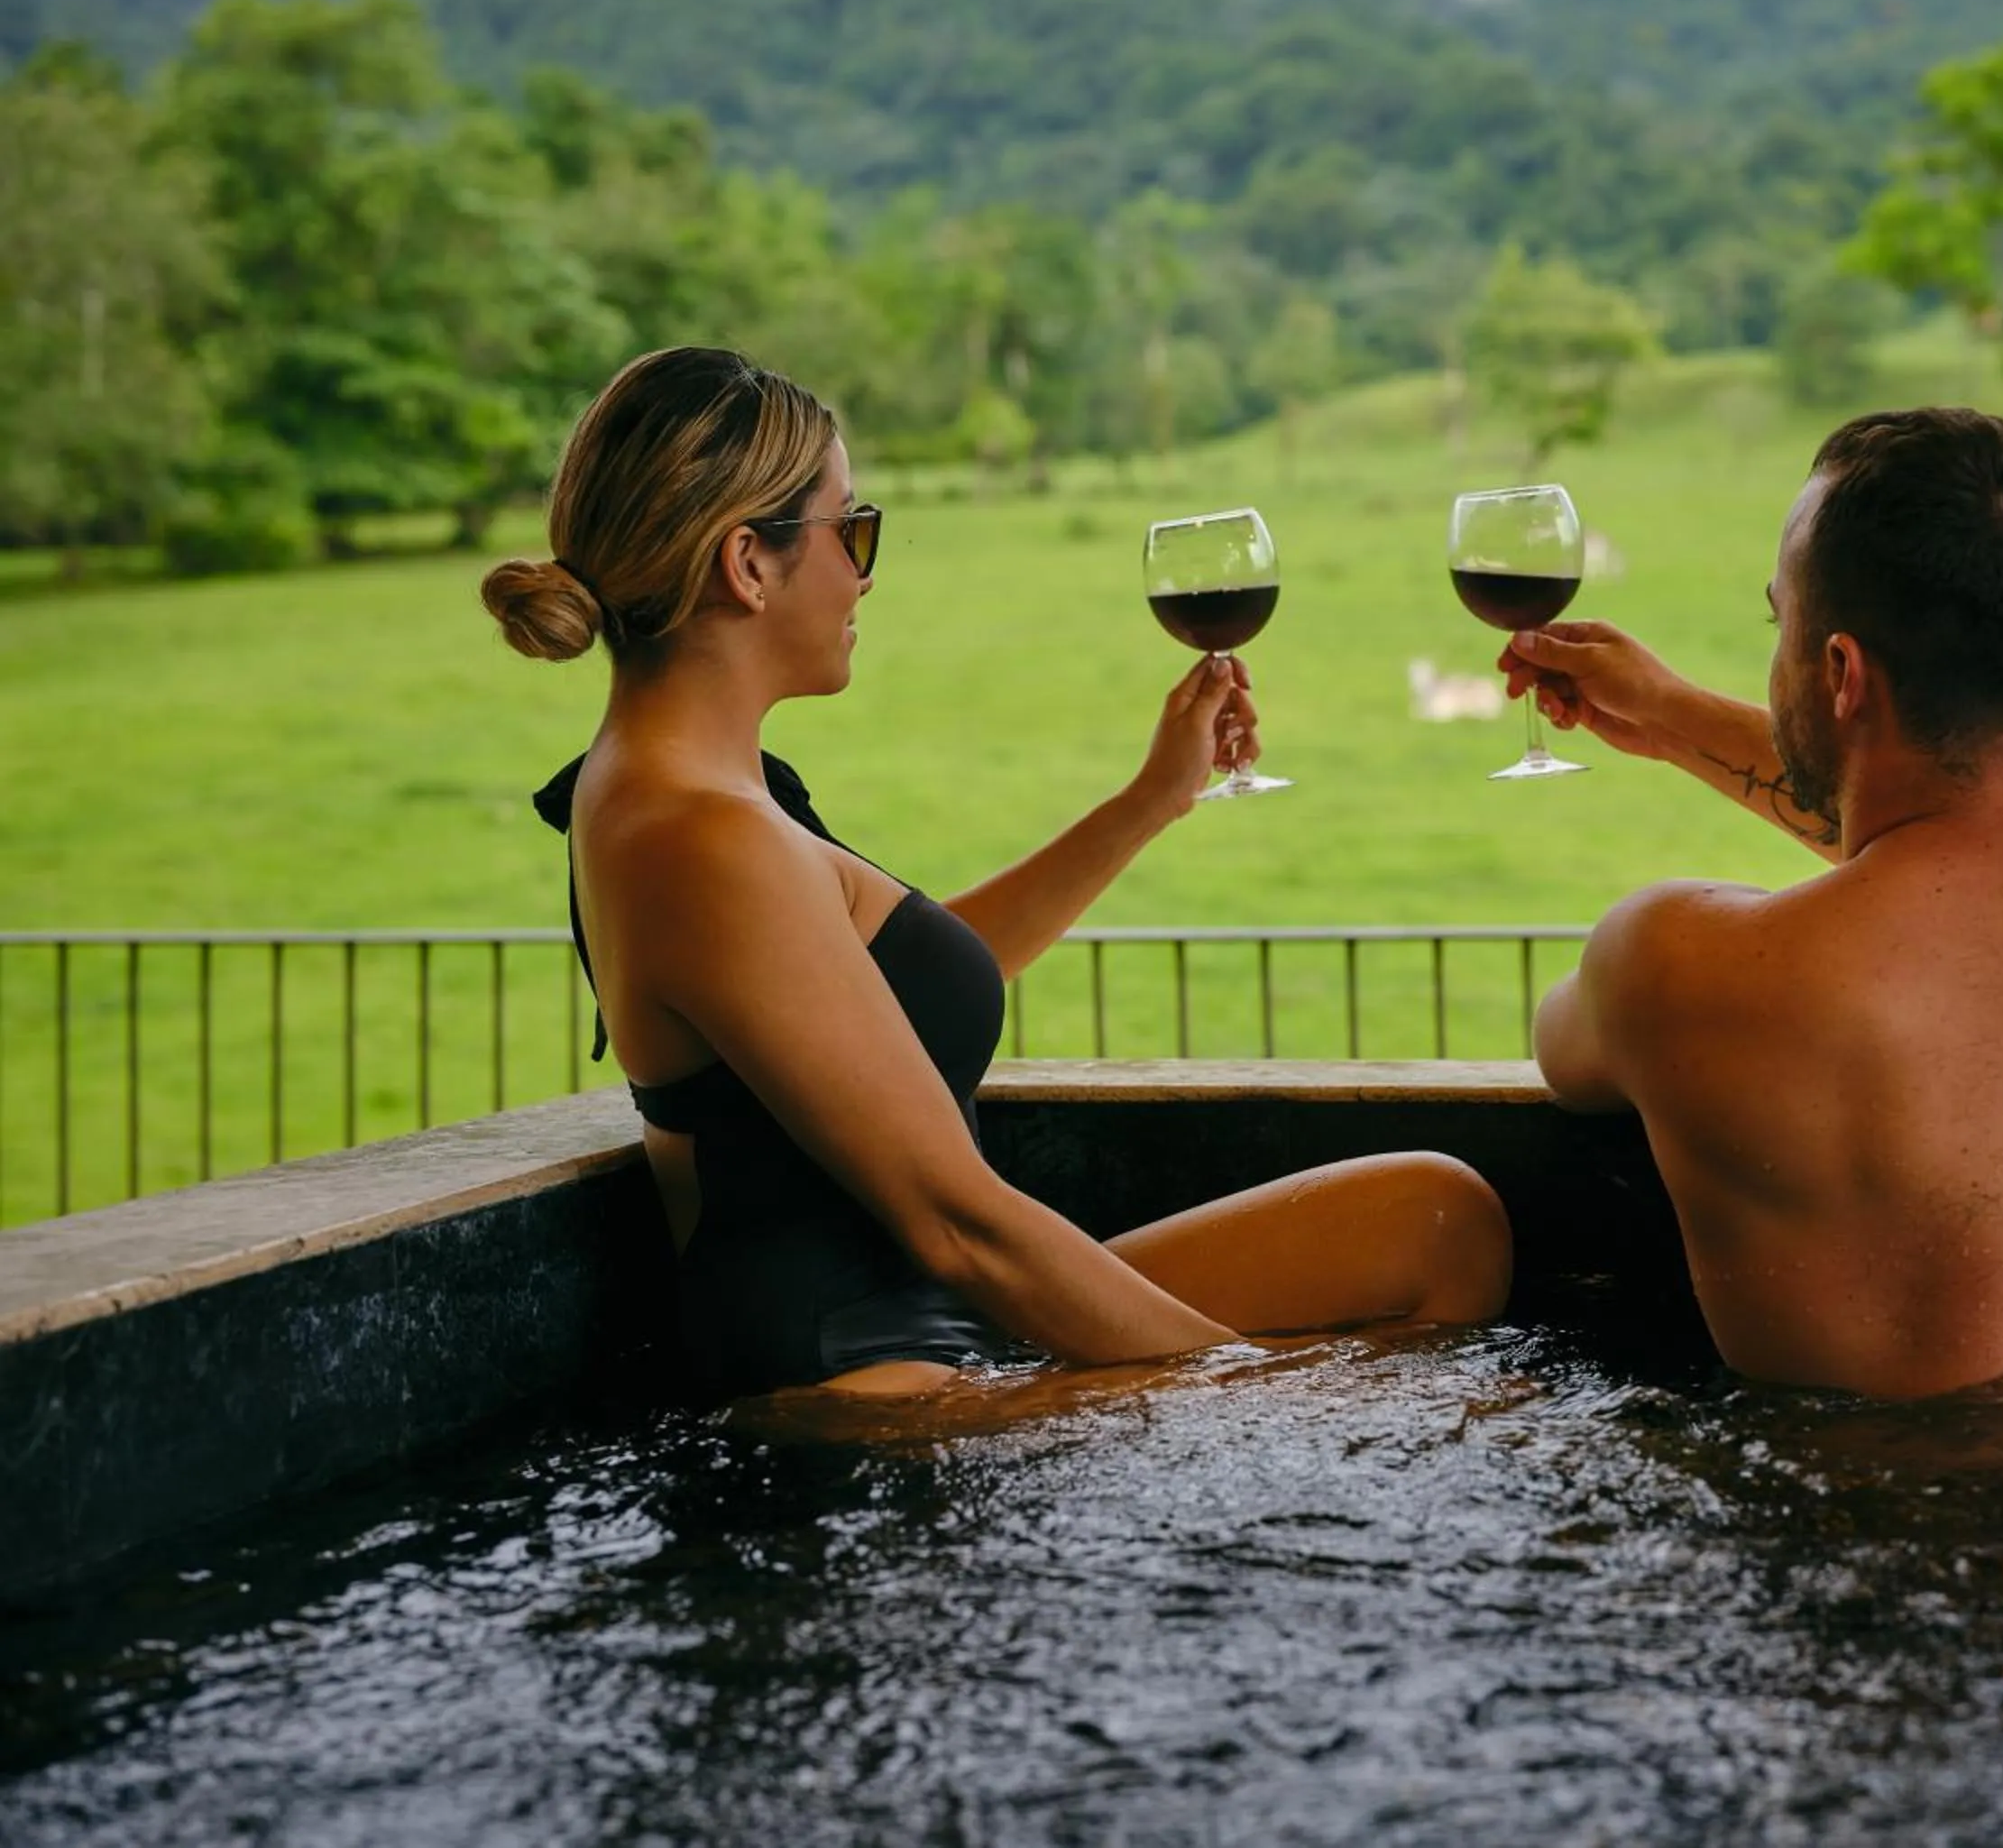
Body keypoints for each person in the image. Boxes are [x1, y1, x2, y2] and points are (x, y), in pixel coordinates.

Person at [482, 346, 1509, 1402]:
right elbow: (963, 1225)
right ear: (749, 563)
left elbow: (885, 998)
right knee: (1428, 1413)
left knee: (1436, 1222)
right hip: (874, 1380)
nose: (867, 572)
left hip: (949, 1318)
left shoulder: (702, 793)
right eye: (853, 530)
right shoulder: (695, 836)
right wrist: (1255, 1397)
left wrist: (1150, 801)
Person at [1500, 407, 2003, 1400]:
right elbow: (1977, 853)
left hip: (1888, 1537)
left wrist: (1682, 722)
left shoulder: (1670, 963)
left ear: (1841, 671)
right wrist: (1675, 717)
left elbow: (1568, 1053)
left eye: (1783, 627)